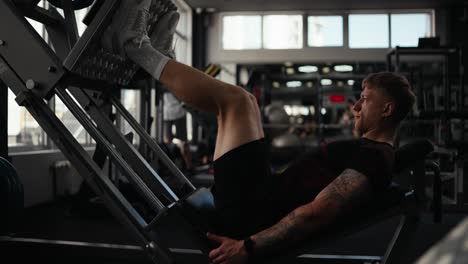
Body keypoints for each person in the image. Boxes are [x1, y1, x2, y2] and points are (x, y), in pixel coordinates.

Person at [101, 1, 416, 263]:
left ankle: (135, 46)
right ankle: (158, 59)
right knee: (246, 100)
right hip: (261, 190)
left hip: (248, 212)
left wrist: (247, 246)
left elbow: (316, 213)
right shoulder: (374, 153)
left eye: (366, 99)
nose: (356, 105)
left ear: (387, 110)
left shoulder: (373, 159)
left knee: (235, 101)